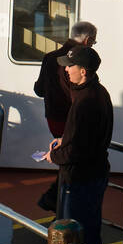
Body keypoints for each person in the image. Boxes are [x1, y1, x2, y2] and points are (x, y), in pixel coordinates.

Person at [45, 44, 112, 244]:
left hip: (80, 178)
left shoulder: (84, 102)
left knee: (76, 237)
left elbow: (76, 150)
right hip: (95, 174)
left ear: (82, 72)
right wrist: (65, 142)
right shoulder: (97, 93)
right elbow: (83, 139)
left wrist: (54, 155)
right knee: (91, 233)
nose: (65, 70)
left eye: (70, 66)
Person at [33, 21, 97, 212]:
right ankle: (57, 199)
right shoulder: (82, 61)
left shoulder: (49, 57)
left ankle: (56, 200)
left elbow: (39, 89)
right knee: (72, 160)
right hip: (71, 118)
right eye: (93, 42)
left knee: (67, 158)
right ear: (88, 39)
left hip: (53, 118)